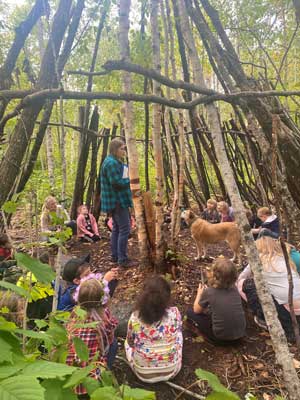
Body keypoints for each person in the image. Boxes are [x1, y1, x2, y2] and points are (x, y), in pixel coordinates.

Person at [237, 236, 300, 341]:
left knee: (245, 284)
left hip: (288, 309)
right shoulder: (285, 258)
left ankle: (264, 318)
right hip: (295, 306)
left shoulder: (259, 259)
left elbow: (241, 278)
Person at [66, 278, 118, 398]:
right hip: (92, 374)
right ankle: (104, 374)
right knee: (114, 343)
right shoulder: (102, 321)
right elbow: (108, 340)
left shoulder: (74, 316)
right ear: (102, 299)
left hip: (72, 374)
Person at [125, 276, 182, 382]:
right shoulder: (175, 313)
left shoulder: (135, 317)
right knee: (179, 334)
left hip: (143, 374)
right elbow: (178, 330)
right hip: (172, 370)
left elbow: (130, 341)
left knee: (126, 344)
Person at [187, 258, 246, 344]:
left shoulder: (209, 292)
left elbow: (196, 310)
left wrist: (199, 293)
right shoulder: (235, 289)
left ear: (214, 276)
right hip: (240, 334)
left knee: (190, 312)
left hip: (219, 338)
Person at [100, 138, 133, 267]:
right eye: (122, 148)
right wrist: (130, 181)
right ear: (115, 149)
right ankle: (122, 259)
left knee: (117, 228)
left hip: (116, 200)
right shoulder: (111, 163)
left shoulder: (114, 161)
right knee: (124, 229)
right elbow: (116, 183)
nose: (124, 151)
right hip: (117, 200)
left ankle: (115, 256)